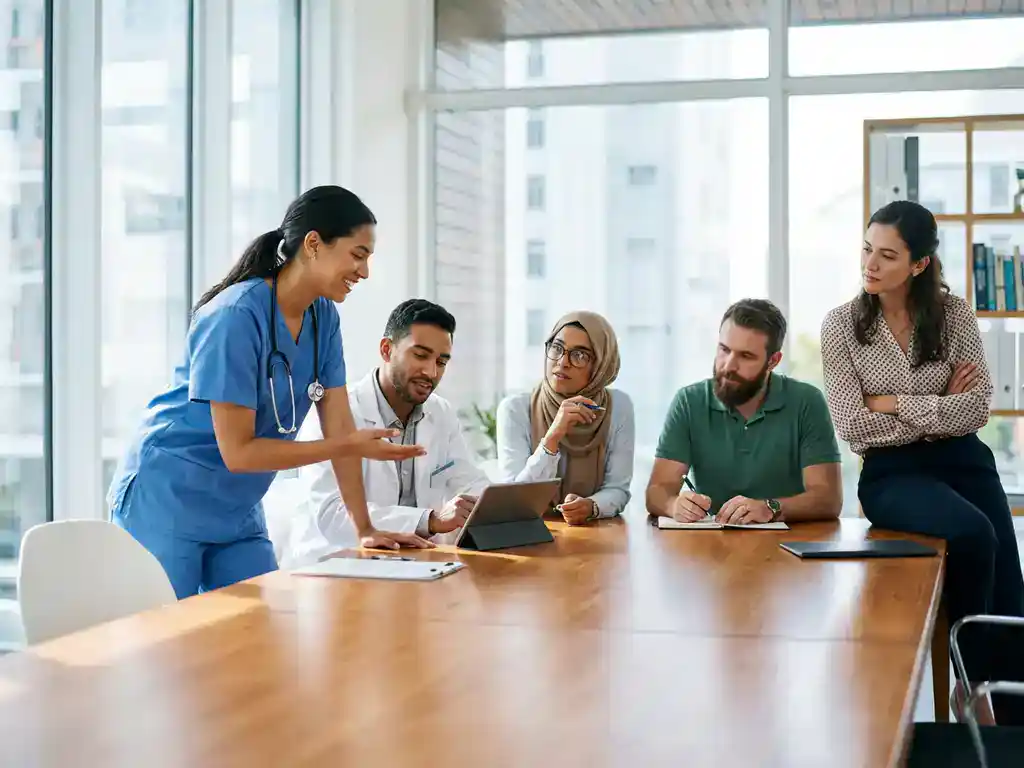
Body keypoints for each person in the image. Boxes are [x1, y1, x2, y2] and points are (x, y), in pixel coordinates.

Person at [105, 185, 432, 600]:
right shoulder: (234, 316)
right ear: (314, 244)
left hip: (236, 507)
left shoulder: (323, 318)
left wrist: (363, 528)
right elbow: (239, 452)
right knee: (170, 646)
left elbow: (340, 426)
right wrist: (344, 444)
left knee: (261, 635)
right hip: (169, 495)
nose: (364, 271)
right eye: (358, 254)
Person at [820, 199, 1024, 725]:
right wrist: (938, 408)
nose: (870, 264)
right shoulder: (841, 326)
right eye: (867, 249)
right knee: (973, 533)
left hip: (964, 460)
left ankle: (1014, 720)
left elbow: (977, 409)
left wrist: (891, 403)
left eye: (887, 256)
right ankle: (969, 683)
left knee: (1008, 578)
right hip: (892, 473)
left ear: (919, 265)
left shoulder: (953, 315)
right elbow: (852, 426)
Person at [284, 299, 491, 567]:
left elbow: (468, 479)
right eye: (420, 355)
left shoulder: (440, 413)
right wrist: (429, 520)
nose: (431, 372)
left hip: (415, 564)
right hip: (338, 566)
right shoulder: (334, 412)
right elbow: (332, 515)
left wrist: (494, 506)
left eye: (441, 361)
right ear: (386, 349)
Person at [647, 299, 842, 525]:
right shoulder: (689, 402)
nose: (729, 365)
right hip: (710, 548)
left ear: (773, 361)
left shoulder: (807, 401)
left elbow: (828, 499)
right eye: (724, 349)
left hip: (787, 549)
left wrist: (771, 507)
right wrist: (674, 505)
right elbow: (656, 492)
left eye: (746, 356)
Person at [495, 311, 634, 524]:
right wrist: (553, 436)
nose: (562, 362)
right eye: (557, 348)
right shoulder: (515, 409)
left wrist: (592, 506)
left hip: (593, 536)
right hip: (529, 536)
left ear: (600, 366)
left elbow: (618, 488)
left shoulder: (617, 407)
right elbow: (515, 502)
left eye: (580, 355)